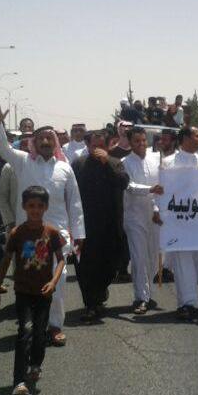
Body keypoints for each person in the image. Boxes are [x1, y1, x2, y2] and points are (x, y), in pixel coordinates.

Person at [0, 104, 84, 346]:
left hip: (58, 236)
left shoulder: (65, 168)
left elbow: (74, 203)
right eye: (40, 137)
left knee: (59, 278)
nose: (45, 141)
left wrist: (80, 234)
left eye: (48, 137)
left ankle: (54, 326)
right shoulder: (22, 162)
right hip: (29, 236)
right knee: (29, 278)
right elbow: (1, 147)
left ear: (54, 142)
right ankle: (32, 322)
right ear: (34, 142)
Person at [0, 186, 66, 395]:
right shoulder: (17, 233)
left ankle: (36, 364)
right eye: (31, 206)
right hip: (23, 290)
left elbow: (61, 259)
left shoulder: (51, 233)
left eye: (40, 206)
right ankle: (19, 381)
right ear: (24, 207)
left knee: (40, 333)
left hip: (44, 292)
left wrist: (53, 281)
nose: (35, 210)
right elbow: (5, 261)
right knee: (25, 331)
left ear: (46, 208)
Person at [72, 130, 130, 321]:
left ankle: (101, 289)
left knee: (109, 266)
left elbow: (123, 183)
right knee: (85, 267)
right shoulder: (79, 164)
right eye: (94, 145)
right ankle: (91, 303)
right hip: (85, 225)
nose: (97, 149)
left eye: (101, 146)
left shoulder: (115, 163)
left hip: (110, 225)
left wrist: (107, 163)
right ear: (88, 146)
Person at [159, 126, 198, 319]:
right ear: (185, 139)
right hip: (177, 220)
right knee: (183, 261)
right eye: (197, 136)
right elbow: (162, 190)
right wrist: (158, 210)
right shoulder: (168, 162)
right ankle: (188, 302)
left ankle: (190, 288)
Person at [122, 127, 164, 314]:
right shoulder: (124, 163)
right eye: (136, 141)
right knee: (139, 257)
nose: (141, 144)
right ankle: (141, 297)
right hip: (134, 216)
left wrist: (157, 208)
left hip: (154, 215)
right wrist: (150, 189)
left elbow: (164, 185)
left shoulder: (157, 159)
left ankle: (148, 292)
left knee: (153, 257)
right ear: (130, 143)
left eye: (143, 140)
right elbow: (129, 187)